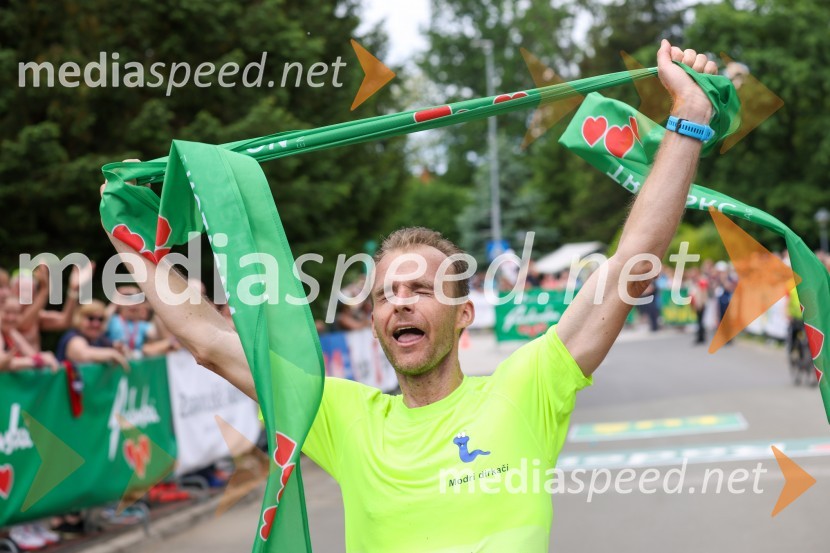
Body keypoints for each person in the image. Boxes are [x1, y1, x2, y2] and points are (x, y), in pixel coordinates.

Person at [102, 41, 718, 552]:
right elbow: (210, 342)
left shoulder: (526, 387)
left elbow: (633, 260)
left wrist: (687, 118)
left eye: (421, 289)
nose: (399, 301)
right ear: (373, 321)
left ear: (462, 313)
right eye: (386, 294)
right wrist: (129, 238)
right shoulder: (342, 417)